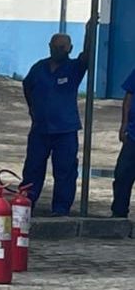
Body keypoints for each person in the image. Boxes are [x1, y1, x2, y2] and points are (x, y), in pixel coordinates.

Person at [20, 24, 93, 216]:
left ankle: (60, 210)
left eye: (62, 47)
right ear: (49, 46)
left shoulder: (74, 68)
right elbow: (27, 86)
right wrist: (33, 109)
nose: (57, 50)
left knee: (65, 171)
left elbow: (87, 55)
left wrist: (90, 30)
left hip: (65, 130)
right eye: (54, 46)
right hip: (40, 129)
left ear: (69, 49)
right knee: (33, 169)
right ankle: (26, 205)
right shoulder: (39, 67)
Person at [110, 67, 135, 218]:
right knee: (122, 175)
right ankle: (118, 214)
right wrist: (124, 123)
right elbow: (129, 96)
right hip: (133, 136)